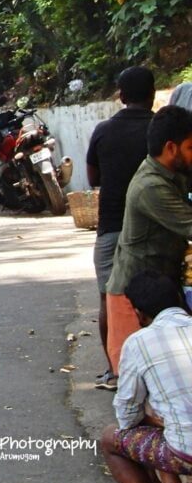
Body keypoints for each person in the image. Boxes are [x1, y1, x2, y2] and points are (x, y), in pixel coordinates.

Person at [105, 106, 192, 375]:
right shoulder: (151, 186)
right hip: (132, 296)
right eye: (191, 147)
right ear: (171, 148)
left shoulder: (172, 173)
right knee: (138, 382)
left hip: (157, 287)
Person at [87, 66, 155, 391]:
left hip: (112, 226)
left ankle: (115, 371)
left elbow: (92, 178)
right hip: (155, 229)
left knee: (108, 299)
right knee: (158, 299)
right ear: (153, 94)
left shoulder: (103, 130)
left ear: (122, 96)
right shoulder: (160, 129)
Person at [100, 270, 192, 483]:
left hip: (185, 453)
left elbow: (126, 417)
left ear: (139, 314)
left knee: (109, 439)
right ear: (179, 299)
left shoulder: (137, 343)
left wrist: (151, 420)